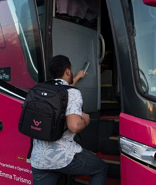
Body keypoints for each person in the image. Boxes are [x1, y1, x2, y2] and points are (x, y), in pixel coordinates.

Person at [30, 55, 107, 185]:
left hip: (39, 159)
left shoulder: (40, 90)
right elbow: (74, 126)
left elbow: (64, 91)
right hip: (63, 157)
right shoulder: (72, 93)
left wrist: (76, 77)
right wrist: (86, 119)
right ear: (67, 71)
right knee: (100, 168)